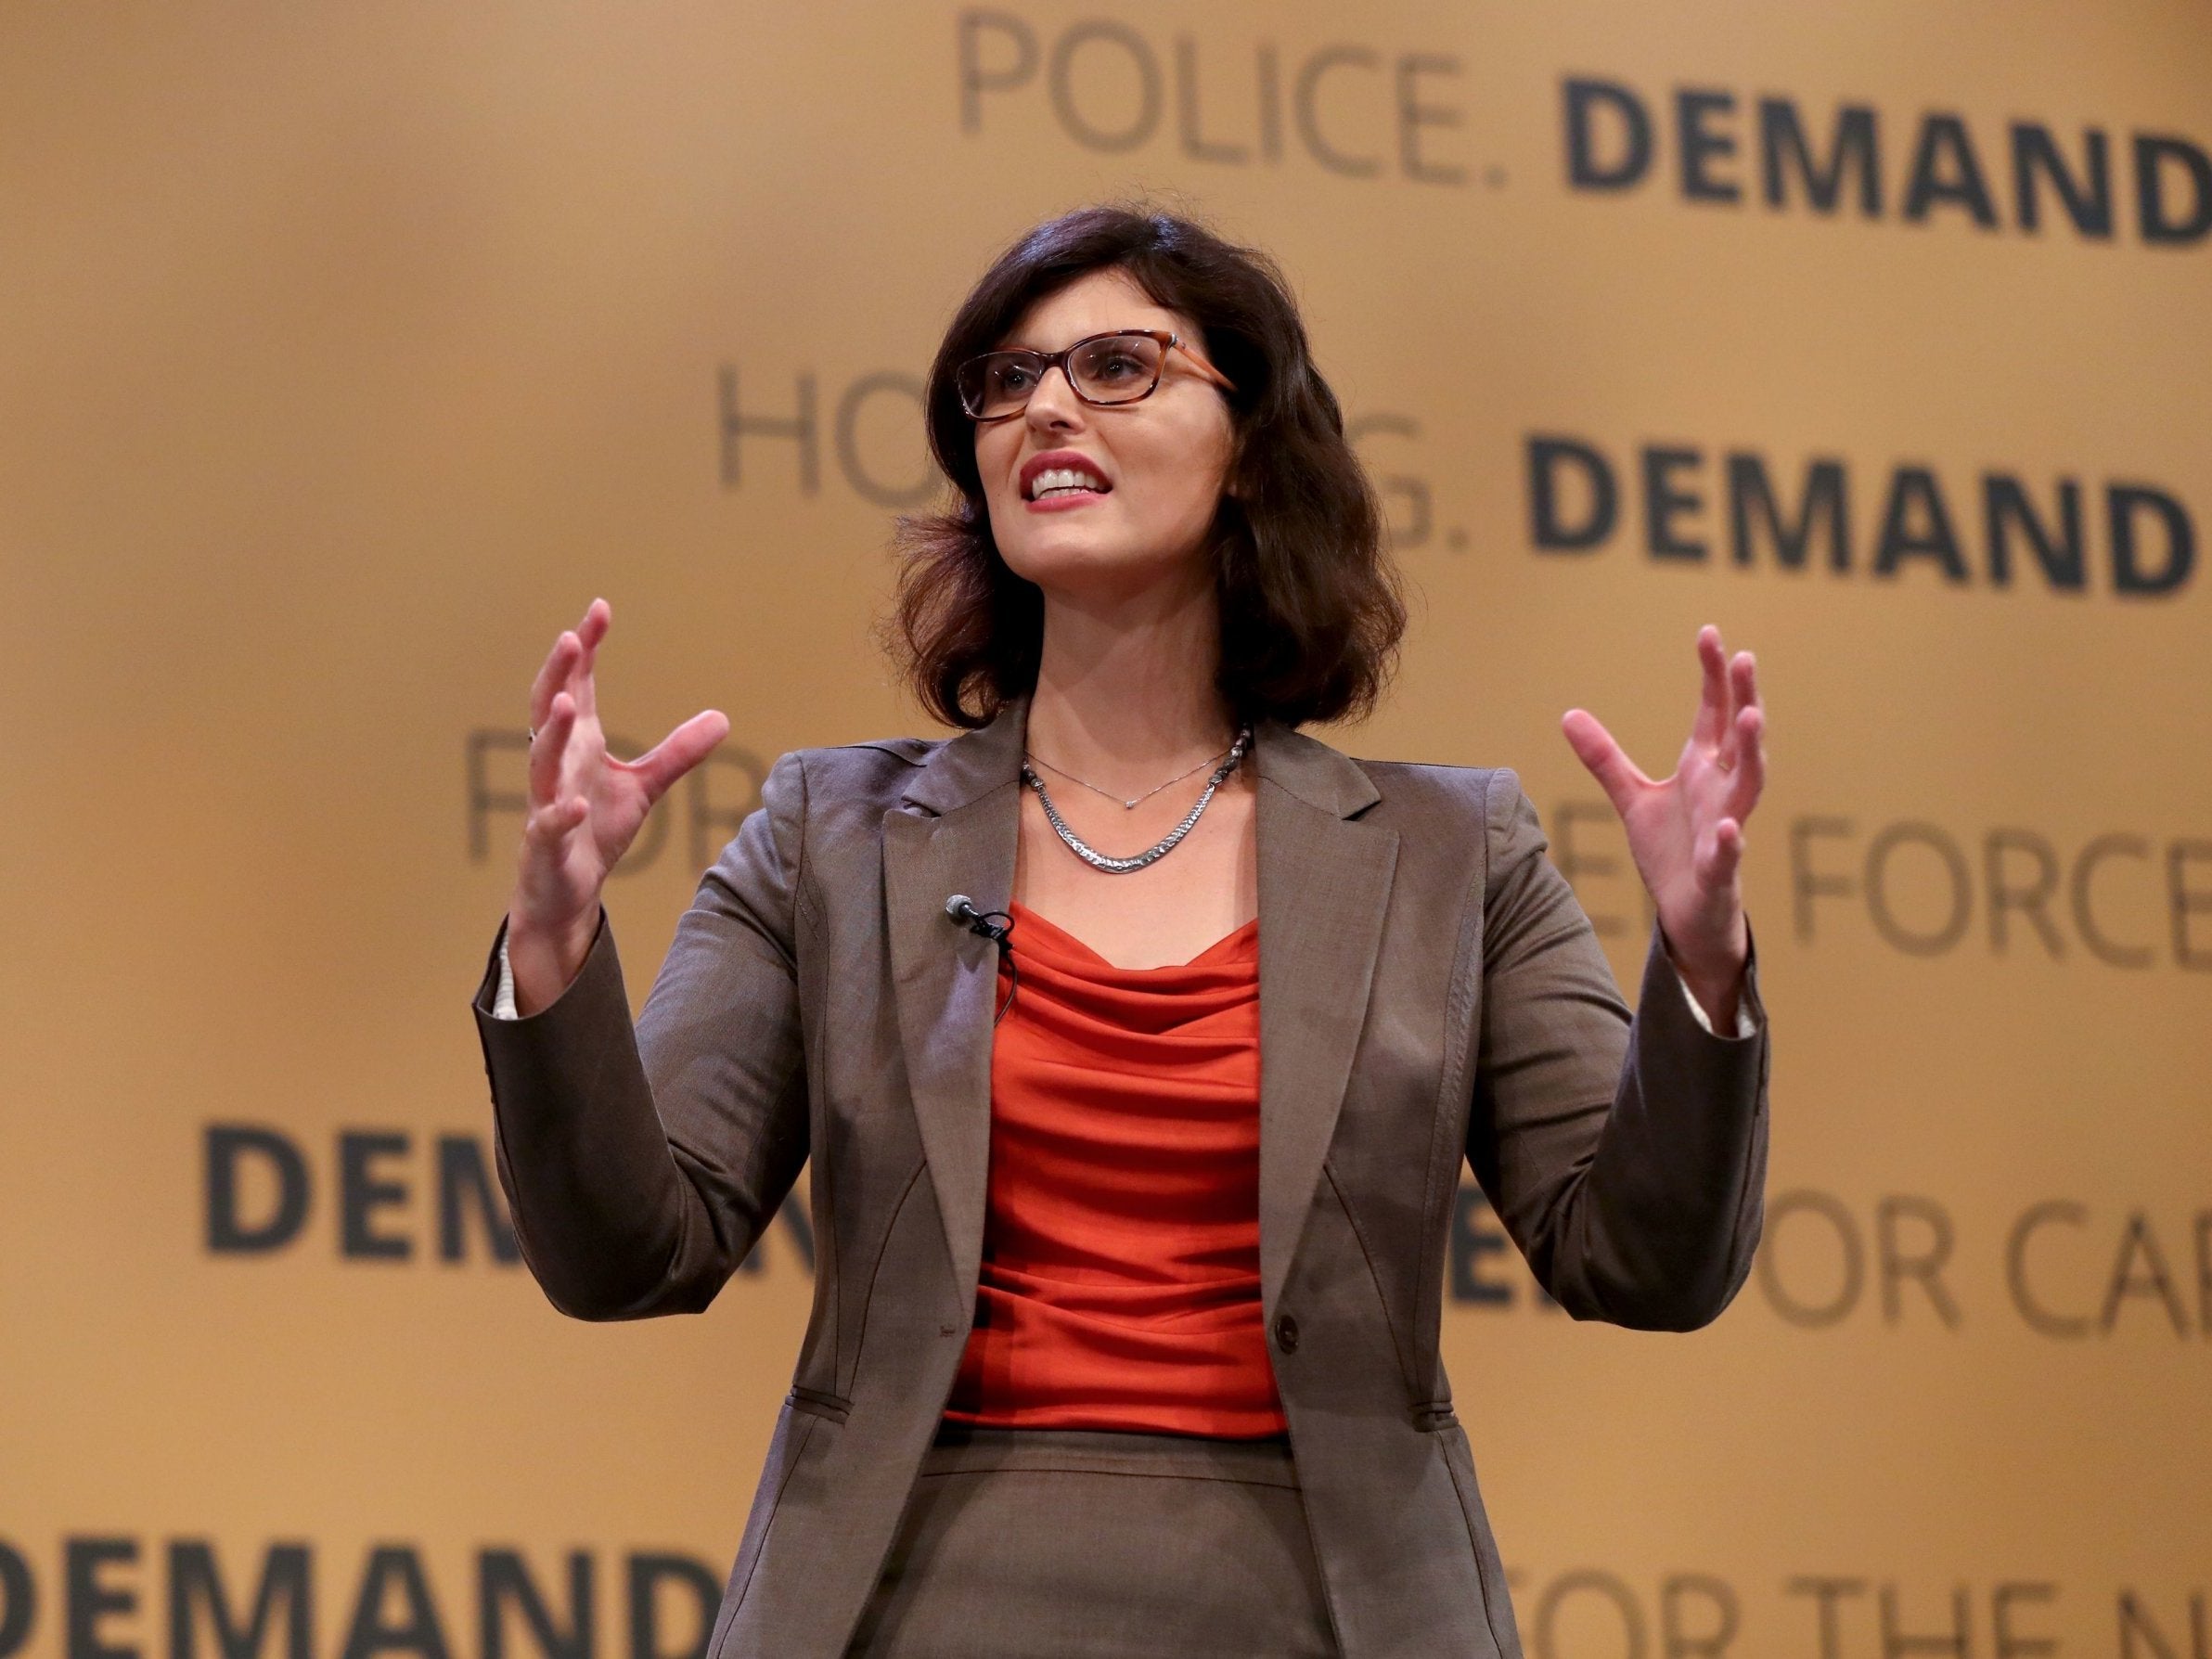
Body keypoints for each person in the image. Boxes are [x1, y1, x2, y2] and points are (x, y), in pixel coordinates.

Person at [473, 205, 1769, 1659]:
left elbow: (1645, 1265)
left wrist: (1703, 966)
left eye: (1116, 368)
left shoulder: (1451, 855)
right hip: (907, 1599)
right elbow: (628, 1255)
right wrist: (555, 943)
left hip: (1328, 1605)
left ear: (1254, 448)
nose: (1043, 411)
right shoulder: (829, 834)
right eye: (1005, 381)